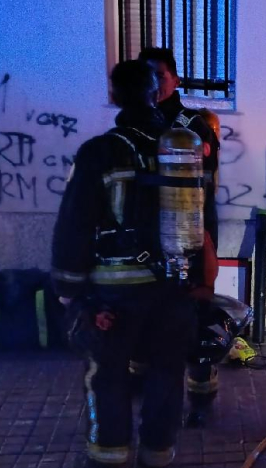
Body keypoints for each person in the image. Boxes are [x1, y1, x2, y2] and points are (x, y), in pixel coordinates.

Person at [52, 59, 198, 467]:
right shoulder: (180, 150)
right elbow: (202, 222)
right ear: (156, 94)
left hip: (113, 298)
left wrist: (69, 291)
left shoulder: (99, 152)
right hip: (172, 290)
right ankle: (157, 456)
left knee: (108, 380)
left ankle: (109, 457)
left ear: (113, 95)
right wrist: (198, 284)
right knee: (167, 377)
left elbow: (74, 224)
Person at [137, 47, 222, 428]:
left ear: (176, 79)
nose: (155, 84)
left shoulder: (193, 124)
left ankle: (201, 396)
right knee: (144, 309)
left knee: (193, 313)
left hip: (191, 234)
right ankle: (140, 381)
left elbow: (209, 159)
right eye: (147, 76)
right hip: (147, 235)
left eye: (161, 76)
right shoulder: (136, 122)